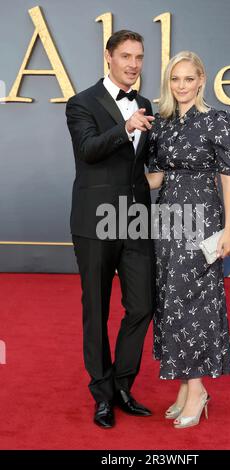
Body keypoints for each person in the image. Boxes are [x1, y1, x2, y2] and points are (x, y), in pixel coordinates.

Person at [66, 30, 156, 429]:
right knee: (96, 309)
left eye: (139, 57)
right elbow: (87, 150)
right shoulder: (81, 103)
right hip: (94, 219)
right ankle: (102, 394)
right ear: (108, 57)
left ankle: (122, 384)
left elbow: (142, 167)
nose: (134, 64)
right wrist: (125, 126)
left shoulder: (146, 103)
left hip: (135, 219)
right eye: (126, 56)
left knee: (142, 305)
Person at [146, 51, 230, 429]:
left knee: (194, 302)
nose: (181, 86)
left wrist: (229, 230)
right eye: (175, 79)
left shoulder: (219, 121)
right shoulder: (163, 125)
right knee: (170, 300)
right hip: (168, 219)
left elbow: (229, 179)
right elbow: (154, 178)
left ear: (202, 79)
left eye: (188, 78)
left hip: (202, 221)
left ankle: (198, 388)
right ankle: (186, 386)